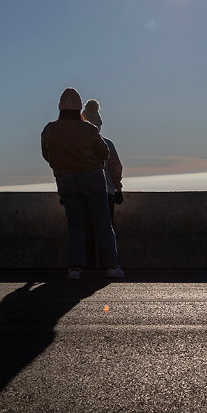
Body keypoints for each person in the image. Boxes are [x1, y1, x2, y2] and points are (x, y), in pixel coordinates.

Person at [41, 88, 124, 279]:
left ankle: (75, 268)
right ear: (79, 108)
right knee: (102, 223)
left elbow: (46, 154)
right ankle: (112, 266)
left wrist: (62, 165)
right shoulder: (89, 129)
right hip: (92, 178)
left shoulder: (49, 129)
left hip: (65, 180)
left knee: (75, 224)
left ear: (60, 108)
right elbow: (104, 153)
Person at [81, 99, 124, 269]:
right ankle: (109, 264)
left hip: (84, 192)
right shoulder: (108, 144)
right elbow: (116, 170)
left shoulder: (80, 146)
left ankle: (88, 265)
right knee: (106, 229)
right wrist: (119, 189)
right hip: (107, 193)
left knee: (87, 231)